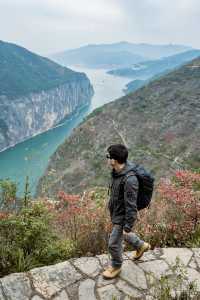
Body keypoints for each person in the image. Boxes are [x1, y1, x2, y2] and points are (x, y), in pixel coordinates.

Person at [102, 144, 150, 279]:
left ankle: (116, 266)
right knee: (123, 235)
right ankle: (141, 246)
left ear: (114, 160)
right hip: (117, 212)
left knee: (113, 243)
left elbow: (131, 206)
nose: (107, 159)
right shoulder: (117, 172)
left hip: (123, 216)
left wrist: (128, 226)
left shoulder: (130, 180)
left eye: (108, 157)